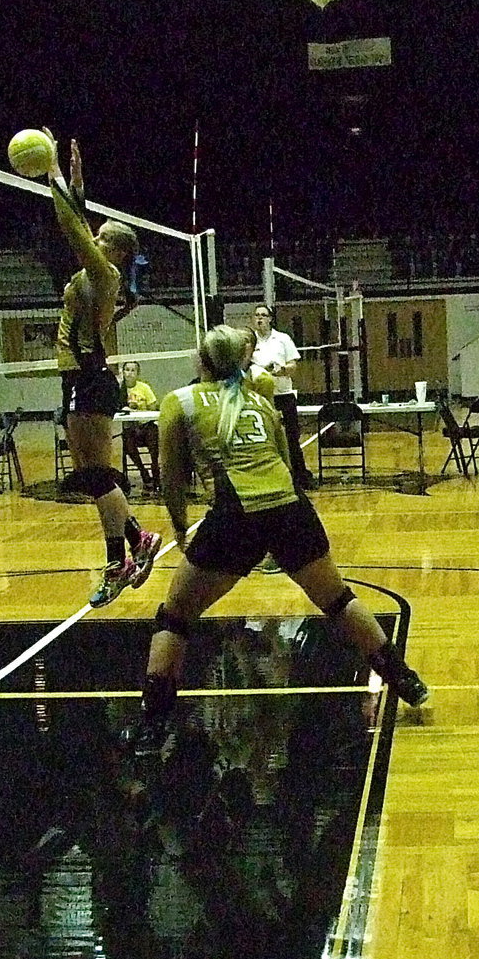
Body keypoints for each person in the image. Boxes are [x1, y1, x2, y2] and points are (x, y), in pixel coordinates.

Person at [136, 325, 427, 748]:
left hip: (237, 513)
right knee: (339, 599)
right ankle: (405, 679)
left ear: (201, 361)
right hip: (290, 507)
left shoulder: (179, 402)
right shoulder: (259, 400)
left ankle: (154, 722)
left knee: (175, 615)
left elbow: (171, 478)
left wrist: (181, 530)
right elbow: (288, 464)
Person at [44, 129, 161, 607]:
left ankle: (119, 561)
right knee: (91, 472)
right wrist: (77, 185)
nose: (93, 235)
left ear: (113, 250)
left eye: (102, 235)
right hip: (85, 376)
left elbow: (74, 231)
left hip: (88, 377)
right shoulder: (102, 272)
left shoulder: (104, 273)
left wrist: (52, 175)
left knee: (94, 473)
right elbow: (80, 227)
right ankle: (136, 539)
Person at [249, 303, 314, 490]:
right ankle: (265, 477)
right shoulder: (249, 341)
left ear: (270, 319)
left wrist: (282, 369)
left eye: (263, 315)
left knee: (291, 438)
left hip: (283, 394)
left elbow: (293, 365)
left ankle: (300, 477)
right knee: (264, 439)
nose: (260, 318)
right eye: (256, 315)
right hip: (260, 397)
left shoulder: (282, 339)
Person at [119, 360, 160, 490]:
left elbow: (153, 407)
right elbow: (115, 407)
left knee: (153, 435)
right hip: (131, 428)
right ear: (123, 372)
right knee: (127, 442)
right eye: (127, 370)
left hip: (146, 425)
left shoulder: (144, 387)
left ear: (137, 373)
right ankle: (143, 472)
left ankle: (155, 468)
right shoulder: (119, 389)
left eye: (133, 370)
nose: (130, 373)